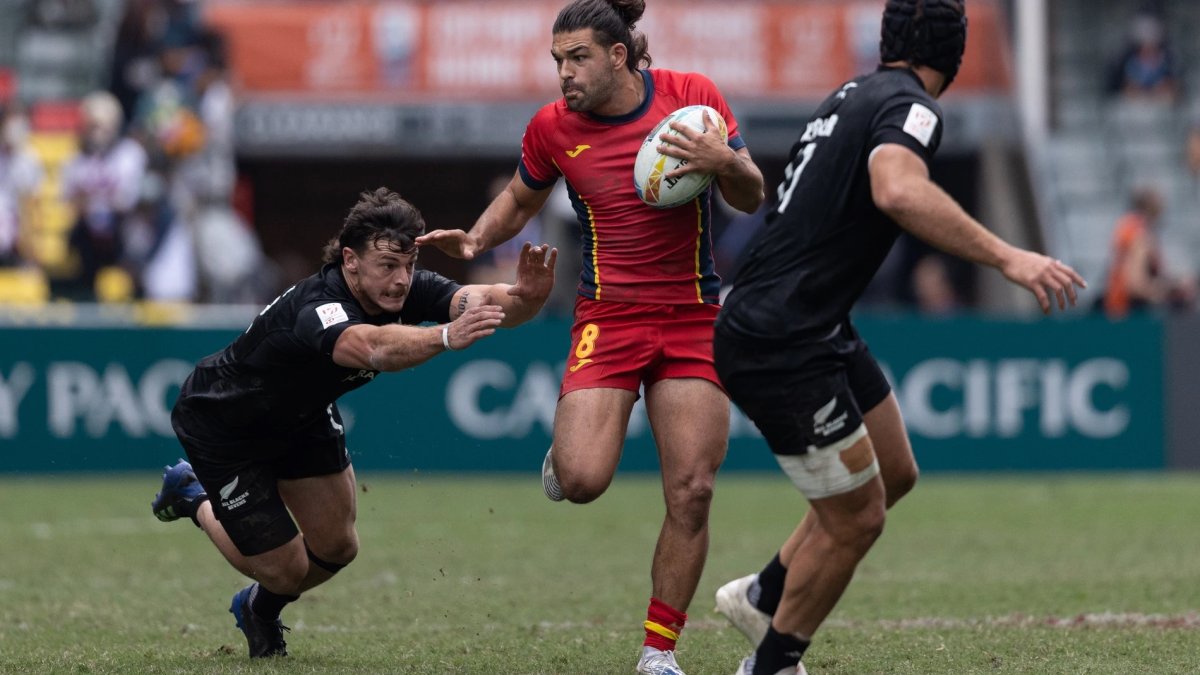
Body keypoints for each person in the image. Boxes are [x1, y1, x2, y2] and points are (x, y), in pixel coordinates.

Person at [709, 2, 1087, 674]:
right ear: (955, 53)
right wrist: (1009, 257)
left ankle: (765, 592)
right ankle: (771, 664)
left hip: (810, 321)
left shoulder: (852, 93)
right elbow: (898, 190)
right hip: (781, 337)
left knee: (893, 471)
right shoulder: (913, 106)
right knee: (858, 517)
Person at [416, 2, 764, 673]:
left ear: (619, 56)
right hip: (608, 317)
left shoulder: (693, 98)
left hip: (693, 314)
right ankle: (568, 453)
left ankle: (657, 653)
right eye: (558, 61)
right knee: (581, 480)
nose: (565, 74)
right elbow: (521, 196)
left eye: (577, 59)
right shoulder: (553, 128)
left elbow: (751, 197)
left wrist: (725, 160)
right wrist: (478, 236)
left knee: (691, 488)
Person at [150, 187, 556, 658]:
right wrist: (444, 337)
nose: (401, 280)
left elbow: (483, 299)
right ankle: (191, 494)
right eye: (387, 266)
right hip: (226, 423)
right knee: (285, 569)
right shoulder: (318, 307)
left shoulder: (403, 288)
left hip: (301, 417)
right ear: (350, 261)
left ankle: (257, 611)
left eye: (408, 265)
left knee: (337, 547)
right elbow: (374, 349)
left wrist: (526, 299)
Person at [1102, 186, 1195, 318]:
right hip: (1130, 314)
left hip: (1117, 310)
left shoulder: (1127, 227)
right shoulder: (1139, 236)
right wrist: (1171, 290)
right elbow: (1135, 284)